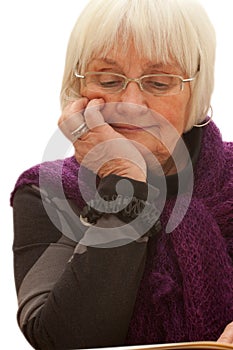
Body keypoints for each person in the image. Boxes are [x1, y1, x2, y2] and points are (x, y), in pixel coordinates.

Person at [11, 0, 233, 349]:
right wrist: (123, 179)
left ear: (197, 92)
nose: (131, 102)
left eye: (159, 83)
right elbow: (63, 340)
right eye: (109, 80)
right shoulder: (46, 192)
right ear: (78, 87)